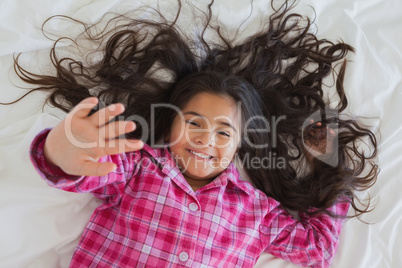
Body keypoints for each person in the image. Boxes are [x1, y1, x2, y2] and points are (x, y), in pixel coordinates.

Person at [7, 0, 378, 267]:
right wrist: (60, 150)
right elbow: (74, 171)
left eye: (223, 132)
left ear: (240, 143)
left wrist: (327, 166)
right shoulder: (138, 168)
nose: (205, 140)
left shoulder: (257, 212)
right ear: (170, 124)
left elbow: (317, 250)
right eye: (194, 122)